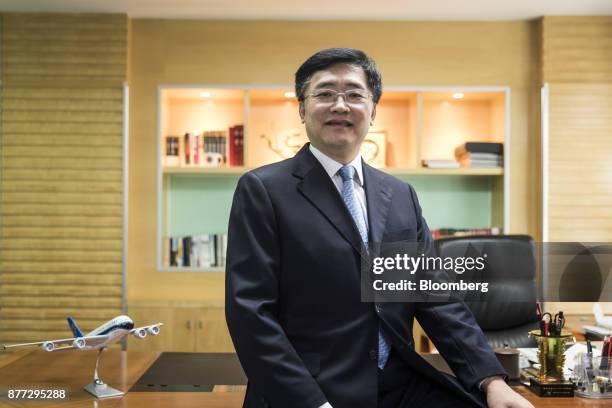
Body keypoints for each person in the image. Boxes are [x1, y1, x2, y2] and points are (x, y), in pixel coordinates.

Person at [225, 48, 533, 408]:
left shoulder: (400, 195)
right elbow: (251, 312)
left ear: (372, 110)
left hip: (397, 383)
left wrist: (492, 380)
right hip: (314, 389)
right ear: (302, 109)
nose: (340, 105)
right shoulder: (264, 189)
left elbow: (435, 298)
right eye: (324, 93)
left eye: (355, 95)